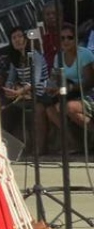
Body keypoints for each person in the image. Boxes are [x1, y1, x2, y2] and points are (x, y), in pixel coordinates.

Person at [46, 23, 94, 152]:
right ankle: (74, 143)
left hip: (88, 94)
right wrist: (52, 87)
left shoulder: (85, 54)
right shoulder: (58, 57)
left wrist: (71, 88)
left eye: (69, 37)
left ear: (76, 39)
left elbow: (90, 82)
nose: (66, 41)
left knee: (67, 107)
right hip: (69, 93)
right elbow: (55, 78)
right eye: (62, 38)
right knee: (50, 109)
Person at [1, 26, 49, 152]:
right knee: (4, 111)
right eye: (14, 38)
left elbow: (35, 80)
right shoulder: (15, 58)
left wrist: (20, 91)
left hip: (41, 94)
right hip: (24, 95)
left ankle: (40, 149)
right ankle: (9, 149)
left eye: (20, 36)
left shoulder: (34, 55)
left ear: (26, 39)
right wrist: (9, 88)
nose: (17, 40)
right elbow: (11, 78)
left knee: (38, 110)